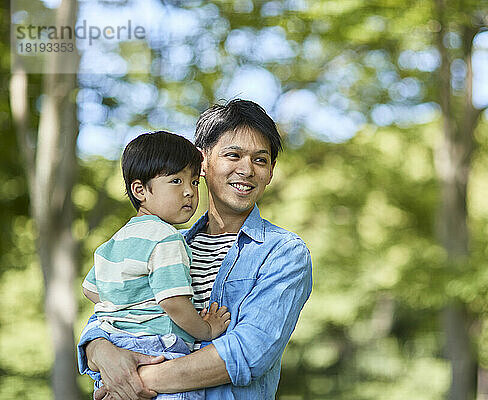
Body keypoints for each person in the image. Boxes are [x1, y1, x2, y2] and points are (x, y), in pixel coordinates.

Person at [78, 99, 313, 400]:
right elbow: (107, 313)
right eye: (233, 155)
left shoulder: (282, 253)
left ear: (271, 171)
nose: (247, 169)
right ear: (203, 161)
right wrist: (101, 349)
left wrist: (133, 379)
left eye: (260, 160)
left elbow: (247, 353)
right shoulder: (163, 242)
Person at [82, 131, 231, 399]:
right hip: (156, 349)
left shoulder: (115, 241)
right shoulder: (166, 238)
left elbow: (92, 290)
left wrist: (129, 304)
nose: (189, 191)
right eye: (176, 181)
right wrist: (206, 328)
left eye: (195, 182)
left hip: (115, 344)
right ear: (140, 190)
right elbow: (173, 302)